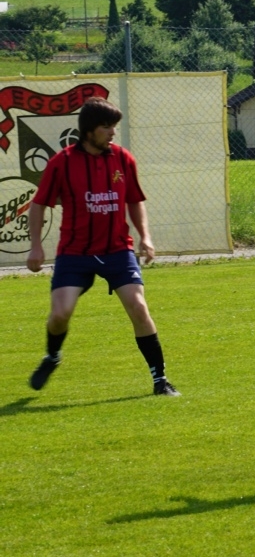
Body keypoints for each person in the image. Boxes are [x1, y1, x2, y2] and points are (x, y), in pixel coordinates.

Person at [25, 97, 179, 396]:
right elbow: (39, 204)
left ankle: (161, 380)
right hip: (75, 253)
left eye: (114, 126)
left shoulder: (123, 159)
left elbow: (134, 200)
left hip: (117, 250)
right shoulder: (62, 162)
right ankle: (52, 356)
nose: (112, 132)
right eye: (107, 126)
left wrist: (145, 237)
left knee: (138, 307)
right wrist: (35, 247)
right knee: (60, 314)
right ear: (89, 130)